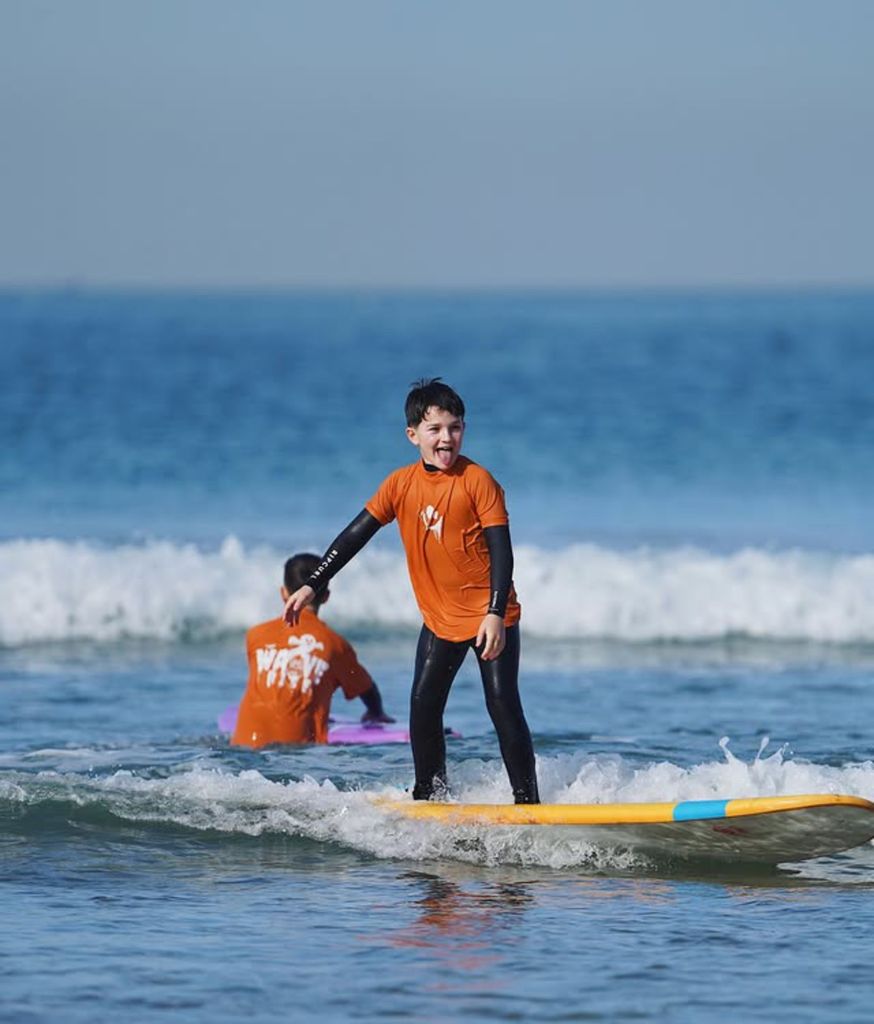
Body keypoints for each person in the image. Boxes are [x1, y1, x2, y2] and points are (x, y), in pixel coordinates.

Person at [284, 378, 540, 803]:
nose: (447, 438)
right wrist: (314, 584)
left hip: (488, 616)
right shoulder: (400, 485)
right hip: (440, 618)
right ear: (413, 435)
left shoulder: (478, 481)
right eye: (436, 429)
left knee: (502, 705)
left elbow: (502, 552)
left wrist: (495, 611)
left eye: (455, 427)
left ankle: (527, 801)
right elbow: (354, 536)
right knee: (423, 707)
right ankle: (431, 795)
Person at [231, 553, 392, 748]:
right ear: (325, 597)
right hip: (301, 754)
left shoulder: (255, 636)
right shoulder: (335, 645)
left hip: (243, 744)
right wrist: (376, 712)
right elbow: (367, 689)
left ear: (283, 593)